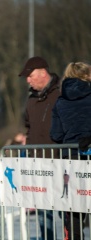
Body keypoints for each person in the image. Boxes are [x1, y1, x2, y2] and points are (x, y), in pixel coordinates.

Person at [19, 56, 61, 240]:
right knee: (44, 211)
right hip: (39, 164)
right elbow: (28, 128)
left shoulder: (62, 94)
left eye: (30, 76)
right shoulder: (31, 101)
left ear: (43, 73)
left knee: (69, 211)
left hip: (62, 162)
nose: (27, 80)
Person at [50, 61, 91, 239]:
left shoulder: (60, 101)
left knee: (74, 206)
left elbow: (56, 134)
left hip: (70, 157)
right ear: (87, 76)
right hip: (88, 152)